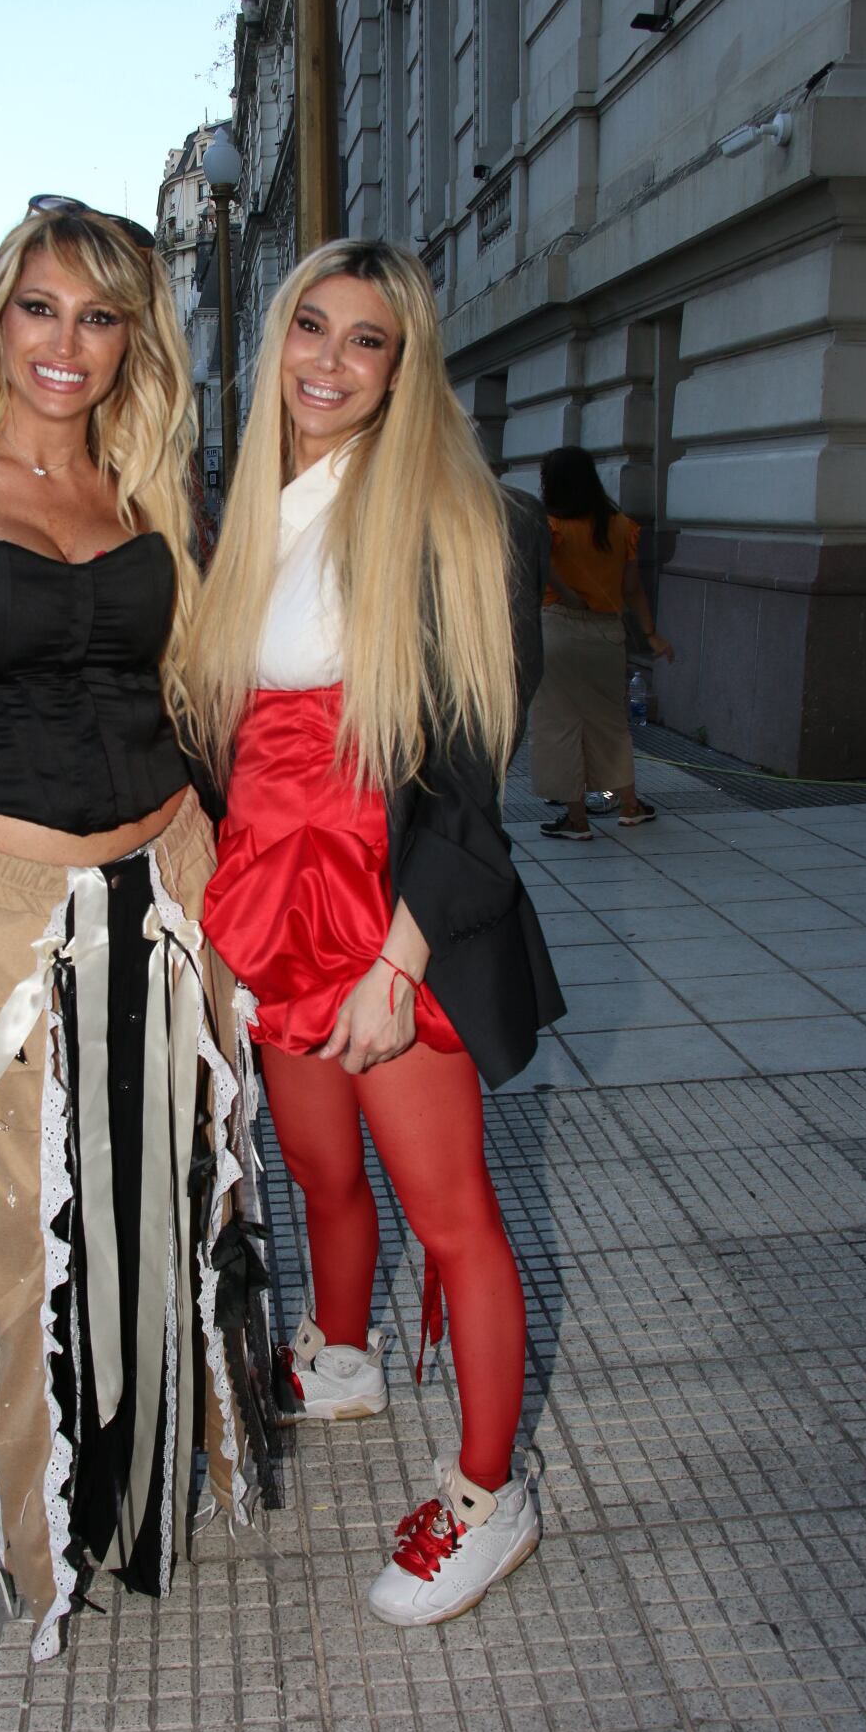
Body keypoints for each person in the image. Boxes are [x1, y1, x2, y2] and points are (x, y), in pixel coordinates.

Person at [0, 202, 270, 1664]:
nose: (65, 344)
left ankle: (142, 1502)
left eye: (99, 316)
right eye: (40, 308)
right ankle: (27, 1532)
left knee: (165, 1195)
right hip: (3, 910)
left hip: (171, 886)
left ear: (133, 340)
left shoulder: (147, 490)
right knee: (17, 1226)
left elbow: (193, 701)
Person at [187, 239, 565, 1630]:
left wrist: (401, 963)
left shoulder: (466, 520)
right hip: (274, 896)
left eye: (367, 340)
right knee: (313, 1167)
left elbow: (471, 781)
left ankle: (488, 1498)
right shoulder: (242, 515)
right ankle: (338, 1358)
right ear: (277, 340)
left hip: (389, 909)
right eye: (312, 327)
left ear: (406, 367)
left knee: (450, 1215)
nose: (330, 363)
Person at [528, 446, 675, 840]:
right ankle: (629, 806)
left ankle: (577, 820)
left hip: (556, 631)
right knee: (611, 723)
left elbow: (536, 568)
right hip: (606, 633)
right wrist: (651, 634)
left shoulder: (550, 525)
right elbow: (633, 589)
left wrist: (565, 592)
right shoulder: (621, 526)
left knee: (558, 724)